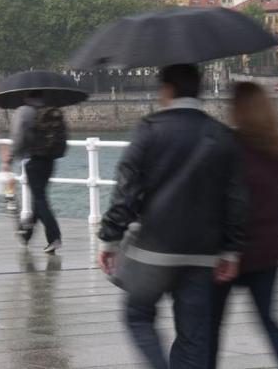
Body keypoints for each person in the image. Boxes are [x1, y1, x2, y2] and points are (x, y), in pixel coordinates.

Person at [97, 64, 249, 369]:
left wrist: (109, 238)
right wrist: (231, 249)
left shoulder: (149, 129)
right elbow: (237, 198)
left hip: (154, 248)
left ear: (167, 90)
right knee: (194, 336)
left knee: (138, 315)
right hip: (203, 253)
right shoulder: (221, 135)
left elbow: (126, 189)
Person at [208, 82, 278, 369]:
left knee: (211, 323)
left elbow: (223, 197)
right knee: (270, 321)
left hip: (232, 250)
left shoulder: (229, 146)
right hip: (270, 248)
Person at [4, 90, 67, 253]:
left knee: (39, 198)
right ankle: (26, 234)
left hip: (33, 160)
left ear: (26, 96)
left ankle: (54, 237)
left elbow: (18, 138)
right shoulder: (50, 110)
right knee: (38, 199)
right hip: (50, 160)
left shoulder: (24, 112)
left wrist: (10, 158)